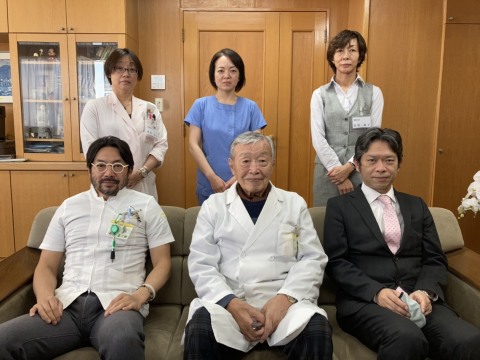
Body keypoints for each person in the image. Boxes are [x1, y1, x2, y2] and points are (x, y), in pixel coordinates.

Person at [0, 136, 174, 359]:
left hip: (116, 307)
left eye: (117, 166)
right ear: (90, 169)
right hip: (66, 307)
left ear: (129, 170)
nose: (108, 172)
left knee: (123, 339)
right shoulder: (68, 208)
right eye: (100, 165)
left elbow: (163, 263)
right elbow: (46, 267)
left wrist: (140, 295)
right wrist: (44, 297)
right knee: (3, 340)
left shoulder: (146, 205)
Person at [324, 127, 480, 360]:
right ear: (357, 164)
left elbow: (435, 258)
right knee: (406, 338)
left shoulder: (416, 205)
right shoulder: (340, 207)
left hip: (418, 299)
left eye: (389, 160)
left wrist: (425, 292)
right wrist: (376, 292)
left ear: (399, 164)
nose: (381, 168)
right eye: (372, 160)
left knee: (467, 339)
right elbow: (337, 263)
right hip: (366, 302)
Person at [184, 131, 333, 359]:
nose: (254, 169)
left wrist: (284, 299)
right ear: (232, 166)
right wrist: (231, 304)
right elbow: (201, 264)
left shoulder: (293, 203)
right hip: (231, 303)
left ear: (272, 164)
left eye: (262, 160)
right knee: (200, 327)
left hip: (284, 303)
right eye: (245, 161)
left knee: (317, 328)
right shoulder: (214, 206)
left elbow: (312, 259)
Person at [81, 48, 168, 201]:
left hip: (142, 184)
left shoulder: (150, 109)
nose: (126, 73)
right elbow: (91, 151)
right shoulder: (95, 107)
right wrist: (117, 175)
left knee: (143, 222)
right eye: (119, 68)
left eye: (132, 69)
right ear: (109, 72)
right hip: (108, 183)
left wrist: (141, 173)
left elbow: (161, 145)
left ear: (138, 75)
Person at [184, 48, 267, 205]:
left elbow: (258, 148)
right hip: (209, 183)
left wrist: (237, 178)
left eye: (233, 70)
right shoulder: (200, 105)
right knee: (210, 227)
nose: (226, 76)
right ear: (213, 75)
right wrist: (212, 177)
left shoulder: (251, 107)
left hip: (246, 182)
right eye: (220, 70)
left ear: (239, 75)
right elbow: (193, 145)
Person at [310, 30, 384, 206]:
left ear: (360, 57)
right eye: (340, 51)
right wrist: (339, 174)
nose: (345, 56)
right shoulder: (319, 94)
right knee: (325, 223)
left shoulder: (374, 92)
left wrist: (350, 167)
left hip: (362, 170)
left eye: (352, 50)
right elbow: (318, 138)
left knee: (361, 223)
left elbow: (373, 136)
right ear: (332, 57)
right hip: (328, 173)